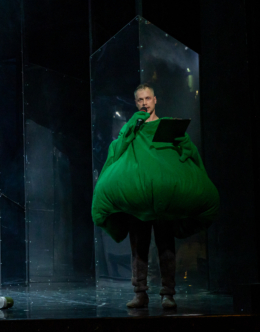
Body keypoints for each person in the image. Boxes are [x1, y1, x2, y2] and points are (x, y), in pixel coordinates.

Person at [91, 83, 219, 310]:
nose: (144, 103)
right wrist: (132, 125)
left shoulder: (166, 126)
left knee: (166, 247)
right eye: (140, 100)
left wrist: (182, 151)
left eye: (147, 98)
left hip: (163, 199)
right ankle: (140, 293)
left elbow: (186, 149)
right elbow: (117, 149)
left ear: (155, 100)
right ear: (135, 103)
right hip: (139, 200)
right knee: (139, 248)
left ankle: (168, 294)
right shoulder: (132, 127)